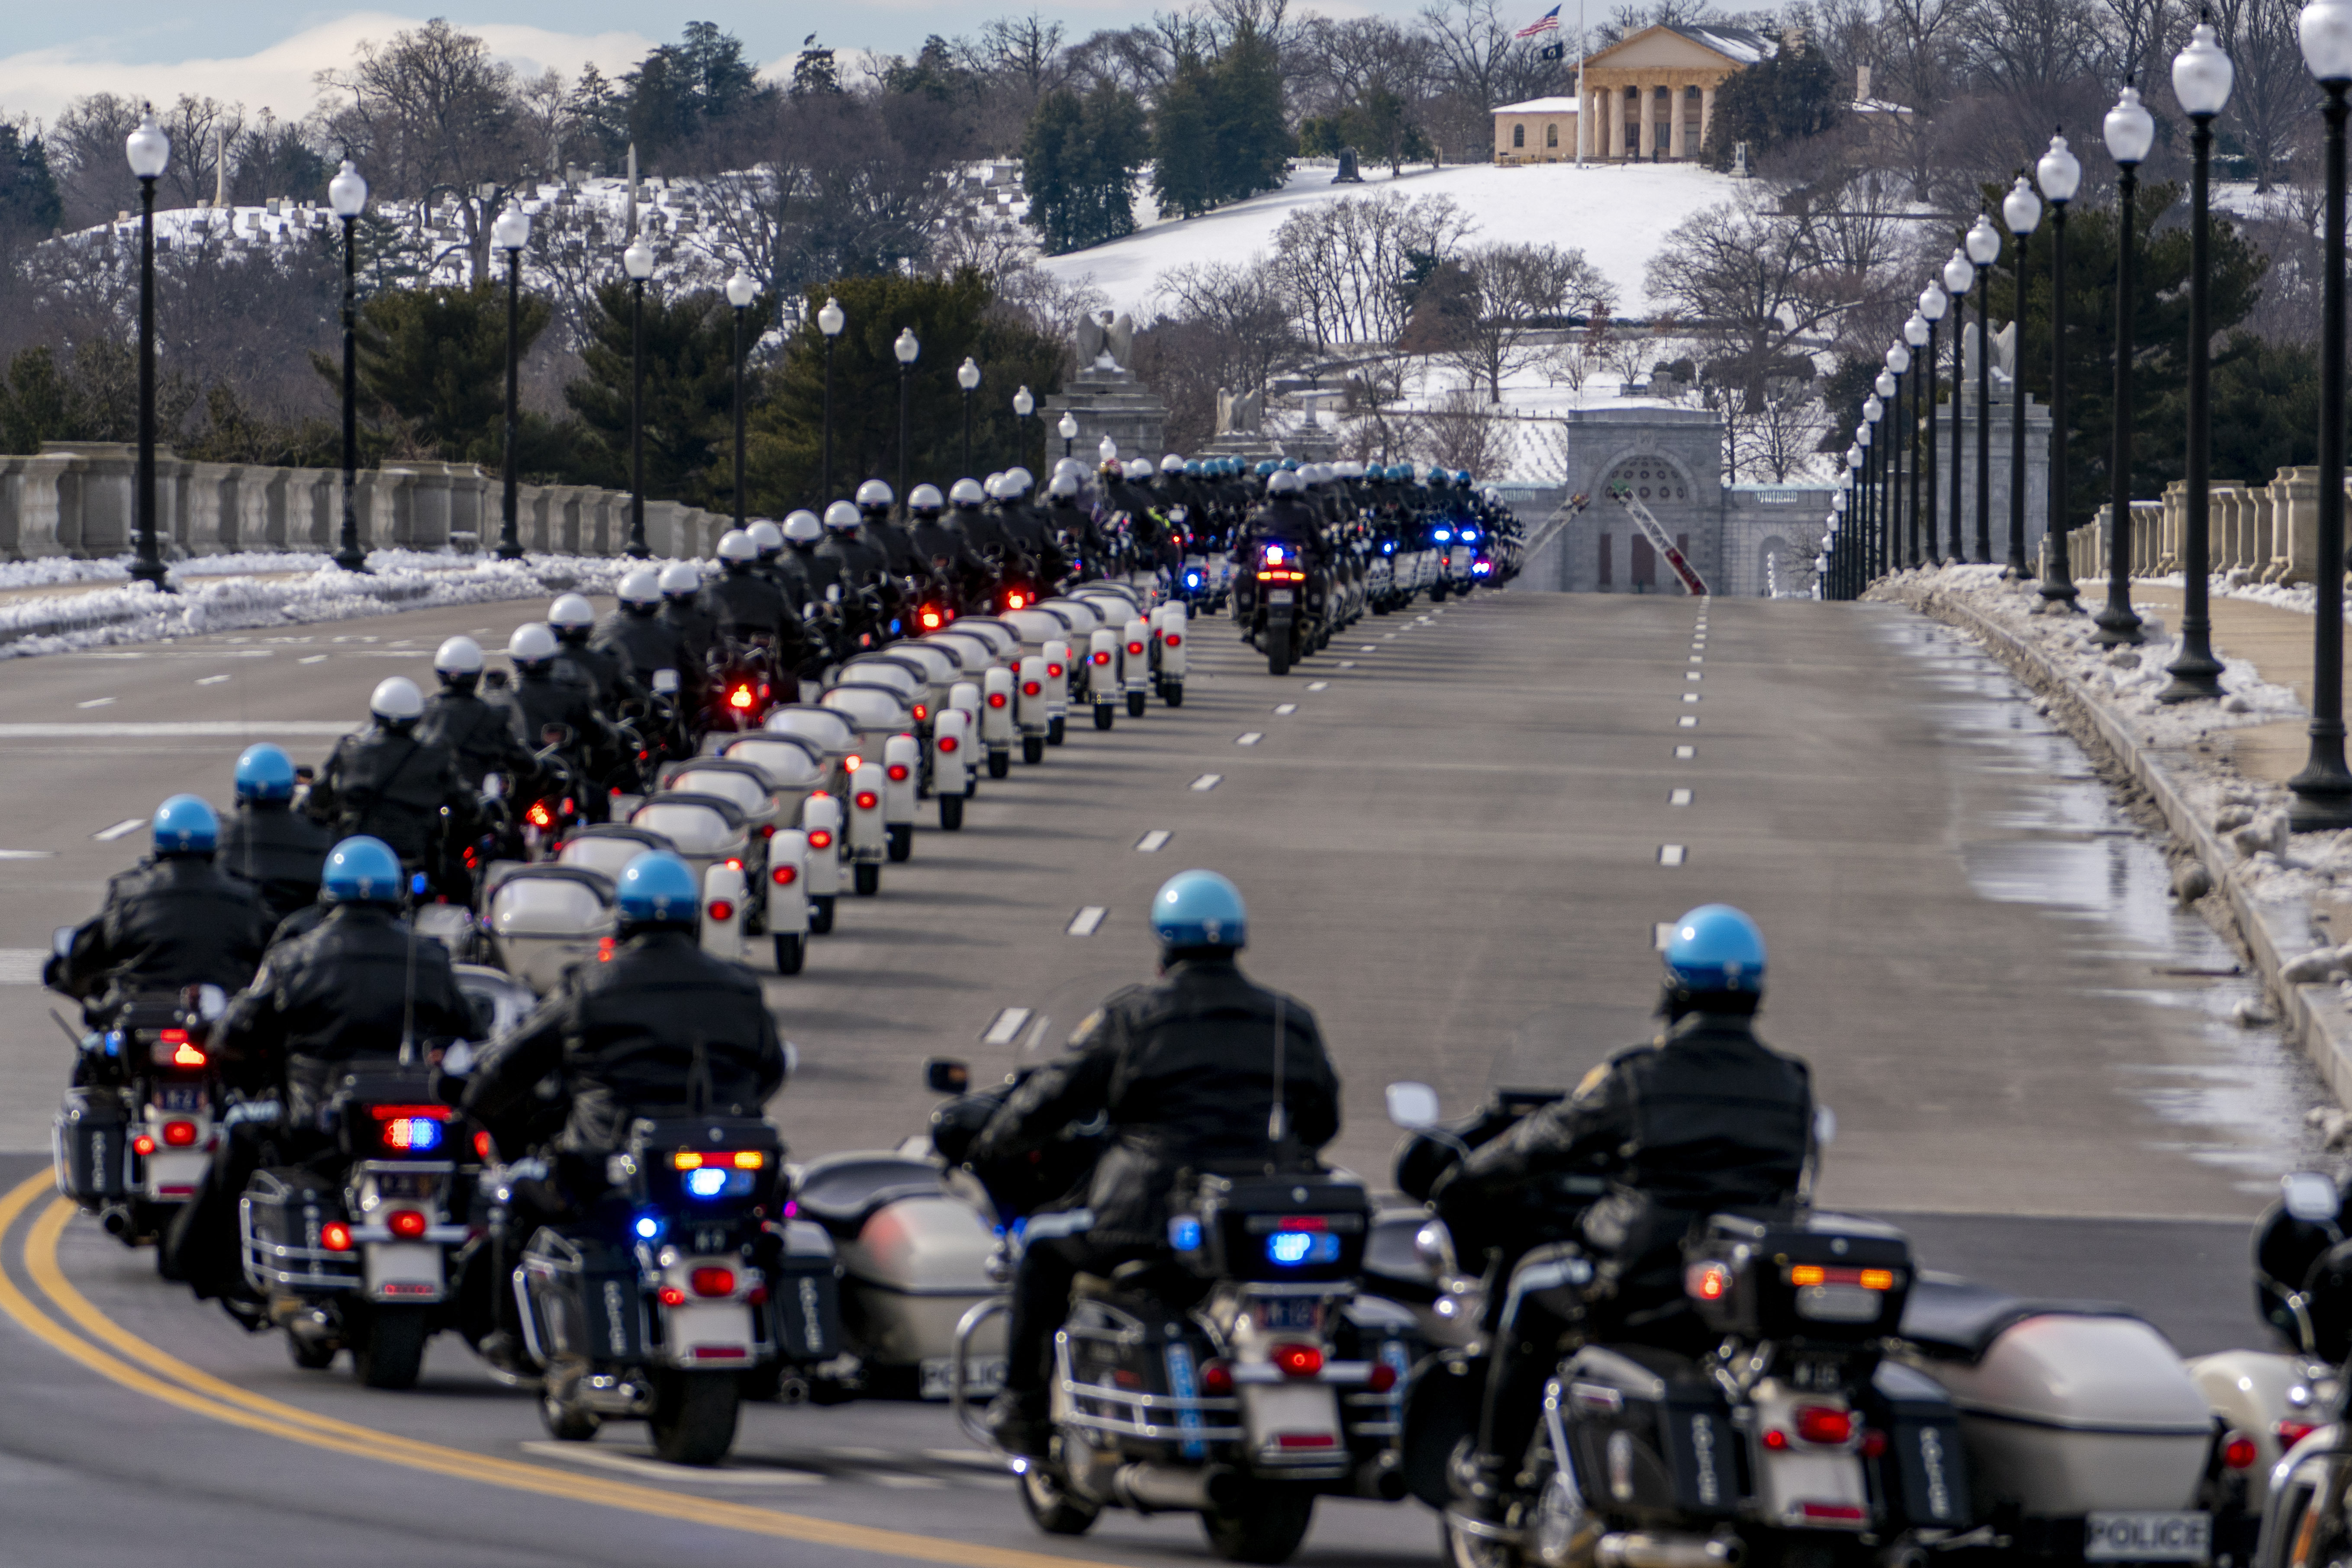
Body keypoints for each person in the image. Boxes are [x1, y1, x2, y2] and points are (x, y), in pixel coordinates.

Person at [1432, 904, 1812, 1518]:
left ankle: (1492, 1474)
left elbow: (1538, 1142)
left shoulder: (1638, 1077)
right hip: (1739, 1295)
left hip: (1639, 1281)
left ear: (1674, 987)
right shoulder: (1791, 1083)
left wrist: (1459, 1179)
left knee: (1531, 1286)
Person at [967, 870, 1340, 1456]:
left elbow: (1053, 1096)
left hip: (1145, 1213)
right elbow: (1322, 1122)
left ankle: (1021, 1406)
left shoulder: (1133, 1016)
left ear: (1165, 942)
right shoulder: (1287, 1019)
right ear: (1237, 940)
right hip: (1255, 1219)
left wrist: (993, 1141)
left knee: (1042, 1244)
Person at [448, 850, 788, 1361]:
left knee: (518, 1202)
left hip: (605, 1164)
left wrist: (476, 1102)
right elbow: (771, 1067)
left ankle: (512, 1337)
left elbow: (511, 1066)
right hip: (727, 1164)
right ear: (692, 915)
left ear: (623, 918)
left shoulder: (590, 986)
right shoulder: (740, 985)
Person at [161, 836, 476, 1303]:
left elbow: (233, 1036)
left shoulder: (295, 957)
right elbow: (470, 1031)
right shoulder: (428, 956)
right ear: (396, 894)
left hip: (312, 1127)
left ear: (328, 894)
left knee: (241, 1132)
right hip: (411, 1126)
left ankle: (209, 1266)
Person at [47, 795, 270, 1045]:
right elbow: (270, 955)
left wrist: (70, 974)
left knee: (94, 1055)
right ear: (213, 842)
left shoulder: (129, 894)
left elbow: (90, 952)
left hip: (143, 1027)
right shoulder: (244, 896)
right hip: (219, 1030)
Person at [306, 677, 478, 877]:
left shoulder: (351, 749)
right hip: (415, 855)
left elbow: (319, 798)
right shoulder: (436, 753)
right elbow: (464, 803)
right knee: (460, 886)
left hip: (355, 855)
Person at [492, 625, 615, 821]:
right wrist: (611, 738)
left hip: (522, 780)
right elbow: (598, 734)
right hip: (561, 780)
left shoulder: (504, 699)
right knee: (597, 801)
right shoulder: (573, 696)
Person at [217, 744, 336, 930]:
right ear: (290, 789)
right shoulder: (323, 839)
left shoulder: (218, 836)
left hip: (236, 940)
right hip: (300, 941)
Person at [419, 636, 541, 792]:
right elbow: (520, 760)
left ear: (439, 674)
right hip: (475, 801)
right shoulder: (493, 716)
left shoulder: (423, 714)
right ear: (477, 675)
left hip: (432, 801)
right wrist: (540, 769)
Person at [548, 592, 639, 710]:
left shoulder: (544, 667)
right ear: (590, 628)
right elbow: (633, 694)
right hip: (597, 726)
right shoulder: (607, 663)